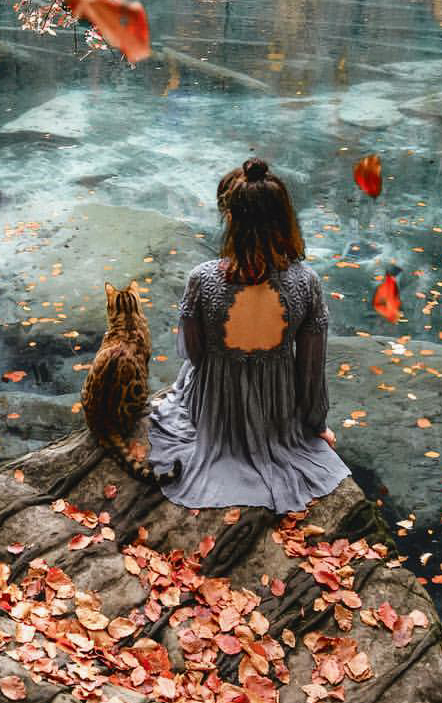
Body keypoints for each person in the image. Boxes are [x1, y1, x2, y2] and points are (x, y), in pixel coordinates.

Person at [148, 157, 350, 512]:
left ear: (230, 219)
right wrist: (315, 424)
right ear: (284, 218)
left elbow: (195, 356)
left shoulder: (201, 279)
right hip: (277, 408)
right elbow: (311, 368)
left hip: (214, 407)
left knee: (187, 381)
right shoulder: (307, 283)